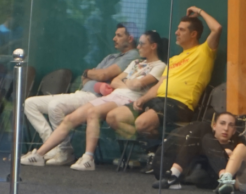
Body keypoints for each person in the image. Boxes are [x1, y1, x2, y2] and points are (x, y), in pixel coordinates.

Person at [21, 31, 166, 170]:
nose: (138, 46)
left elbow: (138, 84)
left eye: (142, 44)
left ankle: (88, 158)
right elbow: (115, 81)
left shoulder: (160, 66)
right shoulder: (135, 62)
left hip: (128, 100)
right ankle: (39, 154)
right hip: (113, 96)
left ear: (153, 46)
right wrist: (130, 83)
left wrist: (128, 82)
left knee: (93, 112)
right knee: (70, 119)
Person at [106, 6, 221, 141]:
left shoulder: (204, 51)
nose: (176, 33)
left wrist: (199, 11)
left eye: (182, 30)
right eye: (177, 29)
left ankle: (153, 143)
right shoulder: (173, 60)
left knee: (141, 123)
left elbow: (217, 28)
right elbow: (159, 85)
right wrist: (143, 99)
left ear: (193, 34)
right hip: (158, 100)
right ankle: (152, 142)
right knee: (112, 117)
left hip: (179, 104)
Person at [153, 109, 243, 189]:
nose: (226, 128)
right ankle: (173, 174)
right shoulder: (203, 141)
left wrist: (233, 156)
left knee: (204, 131)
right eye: (222, 123)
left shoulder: (237, 148)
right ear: (214, 126)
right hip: (200, 170)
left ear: (234, 130)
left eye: (230, 125)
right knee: (204, 131)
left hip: (217, 175)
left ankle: (224, 179)